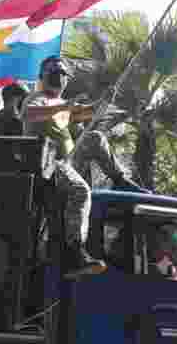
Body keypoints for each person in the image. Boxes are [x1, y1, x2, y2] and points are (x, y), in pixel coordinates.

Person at [22, 56, 133, 278]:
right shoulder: (38, 99)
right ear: (42, 78)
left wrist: (104, 100)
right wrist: (64, 106)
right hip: (47, 163)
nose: (58, 78)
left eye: (62, 74)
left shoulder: (63, 105)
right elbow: (28, 114)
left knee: (95, 138)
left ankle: (119, 180)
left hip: (68, 159)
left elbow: (90, 112)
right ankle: (75, 253)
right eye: (53, 73)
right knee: (80, 190)